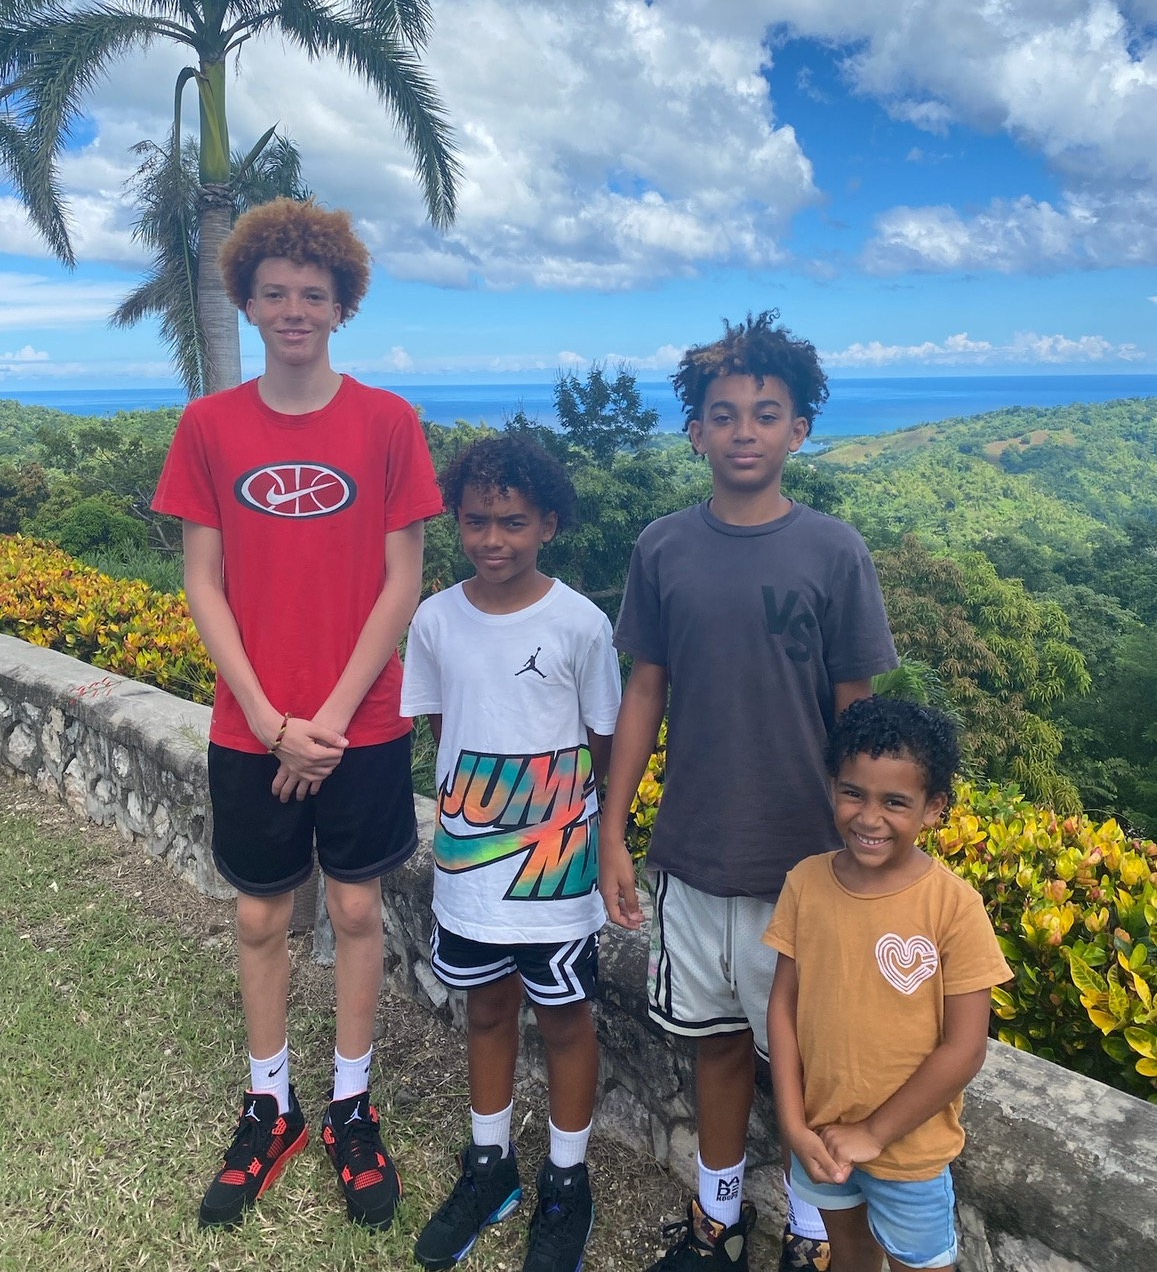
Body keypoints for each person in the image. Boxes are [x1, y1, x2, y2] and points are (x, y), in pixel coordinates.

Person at [153, 197, 443, 1231]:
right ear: (246, 298)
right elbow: (203, 582)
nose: (291, 309)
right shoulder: (208, 426)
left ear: (341, 304)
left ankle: (350, 1105)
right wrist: (275, 722)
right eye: (273, 292)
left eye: (311, 293)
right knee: (261, 915)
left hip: (362, 722)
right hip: (253, 724)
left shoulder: (387, 423)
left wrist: (322, 721)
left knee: (357, 910)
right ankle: (269, 1101)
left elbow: (401, 582)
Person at [599, 310, 898, 1272]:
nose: (743, 431)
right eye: (722, 414)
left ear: (797, 430)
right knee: (716, 1044)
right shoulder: (662, 548)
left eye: (765, 414)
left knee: (807, 1060)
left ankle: (810, 1231)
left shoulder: (834, 551)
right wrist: (614, 829)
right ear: (694, 432)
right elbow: (643, 691)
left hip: (807, 864)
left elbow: (858, 715)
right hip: (693, 850)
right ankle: (717, 1218)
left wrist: (872, 847)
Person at [400, 434, 621, 1272]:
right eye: (476, 521)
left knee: (565, 1020)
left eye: (513, 522)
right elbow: (443, 726)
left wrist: (574, 829)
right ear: (457, 520)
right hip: (469, 871)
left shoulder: (579, 623)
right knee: (486, 1011)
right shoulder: (434, 619)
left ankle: (567, 1179)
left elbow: (603, 739)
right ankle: (488, 1164)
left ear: (548, 524)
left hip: (555, 877)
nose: (492, 539)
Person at [765, 697, 1012, 1272]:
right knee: (850, 1256)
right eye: (853, 793)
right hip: (821, 1137)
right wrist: (794, 1124)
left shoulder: (954, 907)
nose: (869, 818)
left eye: (895, 802)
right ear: (832, 786)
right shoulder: (805, 883)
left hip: (909, 1154)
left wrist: (874, 1133)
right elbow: (783, 1007)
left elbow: (965, 1048)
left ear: (934, 808)